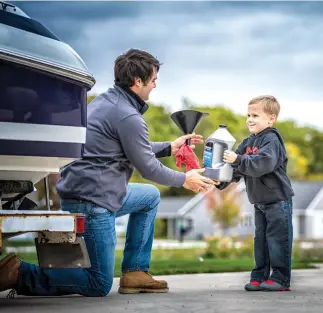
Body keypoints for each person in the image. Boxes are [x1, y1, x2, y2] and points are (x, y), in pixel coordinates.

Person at [0, 49, 216, 297]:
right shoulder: (127, 115)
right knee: (98, 283)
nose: (155, 85)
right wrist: (184, 179)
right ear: (138, 81)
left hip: (92, 191)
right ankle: (19, 273)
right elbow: (147, 167)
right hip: (93, 202)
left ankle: (135, 272)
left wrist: (170, 146)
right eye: (153, 79)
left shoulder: (106, 101)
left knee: (149, 197)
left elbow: (132, 148)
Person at [218, 95, 294, 291]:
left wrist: (238, 159)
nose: (250, 119)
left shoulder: (271, 140)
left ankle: (280, 279)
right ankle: (259, 276)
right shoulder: (248, 141)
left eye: (255, 115)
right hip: (259, 202)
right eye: (248, 115)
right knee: (260, 242)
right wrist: (220, 180)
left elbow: (262, 163)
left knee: (277, 241)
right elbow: (238, 168)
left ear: (271, 119)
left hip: (278, 200)